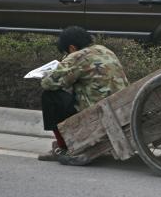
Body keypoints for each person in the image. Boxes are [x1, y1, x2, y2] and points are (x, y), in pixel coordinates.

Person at [38, 26, 129, 163]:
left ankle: (63, 147)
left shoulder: (78, 56)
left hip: (98, 112)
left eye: (66, 52)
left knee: (50, 96)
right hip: (122, 107)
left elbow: (48, 83)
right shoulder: (105, 50)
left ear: (72, 48)